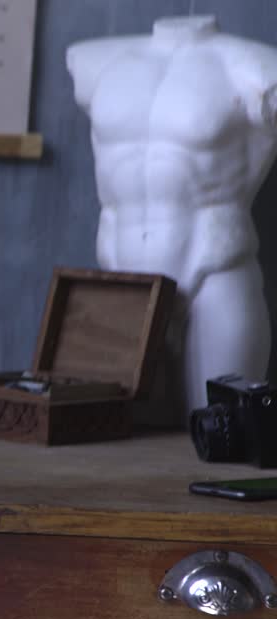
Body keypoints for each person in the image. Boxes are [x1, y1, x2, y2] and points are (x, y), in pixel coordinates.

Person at [67, 15, 277, 416]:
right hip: (119, 278)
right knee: (114, 438)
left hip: (214, 272)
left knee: (222, 433)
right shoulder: (95, 62)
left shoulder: (257, 69)